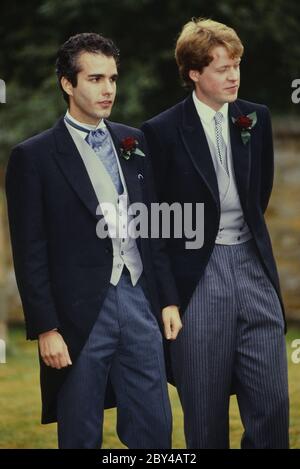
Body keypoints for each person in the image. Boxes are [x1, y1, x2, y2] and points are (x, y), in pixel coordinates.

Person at [6, 32, 182, 449]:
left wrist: (169, 299)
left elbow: (151, 227)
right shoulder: (34, 156)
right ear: (68, 84)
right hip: (76, 315)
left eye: (114, 79)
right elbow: (30, 250)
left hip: (139, 300)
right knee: (81, 432)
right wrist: (46, 327)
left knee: (155, 429)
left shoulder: (133, 141)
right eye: (96, 79)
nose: (108, 90)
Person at [141, 18, 289, 449]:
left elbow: (257, 195)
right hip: (196, 278)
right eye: (222, 68)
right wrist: (168, 298)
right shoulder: (161, 132)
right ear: (194, 74)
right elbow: (156, 226)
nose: (233, 75)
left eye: (237, 64)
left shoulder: (254, 119)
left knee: (273, 403)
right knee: (204, 415)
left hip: (254, 268)